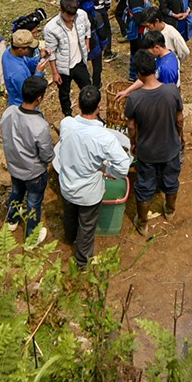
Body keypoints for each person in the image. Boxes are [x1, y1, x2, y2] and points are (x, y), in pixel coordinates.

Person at [54, 83, 133, 269]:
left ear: (79, 106)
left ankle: (69, 238)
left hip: (66, 185)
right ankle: (82, 263)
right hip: (88, 193)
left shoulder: (67, 124)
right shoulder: (103, 137)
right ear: (99, 108)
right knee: (87, 226)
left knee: (70, 216)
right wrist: (108, 172)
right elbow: (123, 165)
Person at [122, 49, 185, 231]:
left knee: (144, 187)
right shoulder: (172, 91)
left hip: (147, 152)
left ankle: (142, 223)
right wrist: (179, 137)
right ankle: (170, 210)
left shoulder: (134, 98)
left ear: (139, 73)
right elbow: (179, 119)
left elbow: (132, 126)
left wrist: (134, 143)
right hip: (170, 148)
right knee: (171, 181)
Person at [1, 74, 56, 248]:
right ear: (39, 99)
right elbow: (47, 155)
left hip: (14, 167)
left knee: (16, 192)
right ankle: (31, 238)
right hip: (34, 173)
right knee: (33, 203)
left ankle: (12, 220)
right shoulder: (40, 126)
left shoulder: (9, 112)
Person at [42, 0, 94, 118]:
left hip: (79, 62)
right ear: (61, 10)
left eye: (73, 16)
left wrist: (87, 44)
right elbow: (51, 52)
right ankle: (68, 115)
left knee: (88, 89)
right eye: (68, 16)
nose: (71, 19)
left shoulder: (81, 15)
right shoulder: (51, 28)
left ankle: (92, 113)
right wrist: (55, 72)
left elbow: (87, 28)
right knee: (64, 93)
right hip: (63, 67)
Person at [2, 29, 43, 105]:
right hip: (22, 107)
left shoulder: (10, 50)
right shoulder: (18, 72)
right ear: (20, 49)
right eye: (29, 48)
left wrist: (40, 57)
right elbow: (29, 94)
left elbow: (26, 61)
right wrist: (38, 73)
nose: (31, 51)